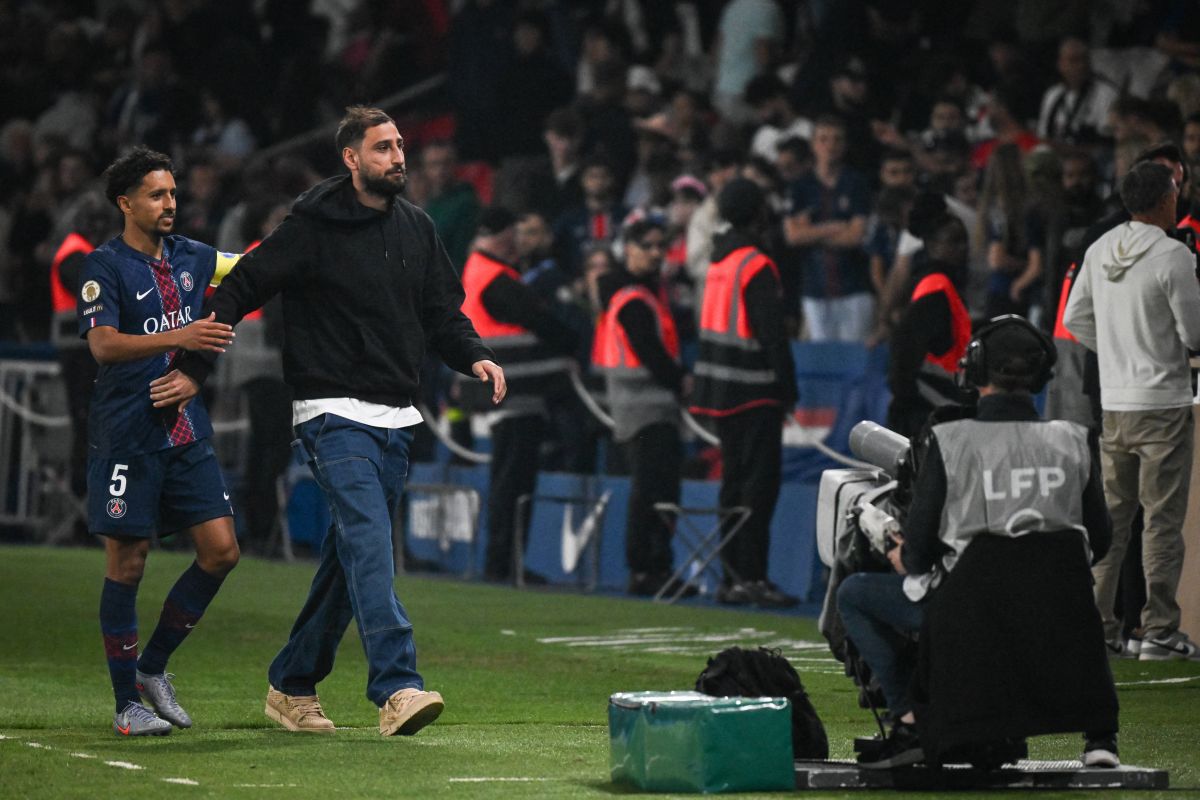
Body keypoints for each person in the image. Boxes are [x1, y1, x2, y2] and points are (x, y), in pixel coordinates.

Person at [176, 106, 506, 735]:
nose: (398, 157)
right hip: (330, 412)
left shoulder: (417, 228)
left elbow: (443, 313)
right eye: (383, 148)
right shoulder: (310, 225)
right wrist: (194, 365)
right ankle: (397, 686)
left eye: (401, 146)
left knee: (347, 556)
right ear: (351, 159)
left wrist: (478, 357)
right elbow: (241, 286)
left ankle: (292, 683)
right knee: (370, 541)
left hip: (397, 416)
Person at [839, 316, 1118, 769]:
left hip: (971, 619)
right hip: (1061, 619)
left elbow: (919, 553)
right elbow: (1100, 542)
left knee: (853, 595)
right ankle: (1100, 738)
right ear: (1043, 372)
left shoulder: (951, 441)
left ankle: (909, 717)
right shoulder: (1074, 440)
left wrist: (898, 551)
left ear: (973, 369)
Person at [82, 146, 241, 736]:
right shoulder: (104, 267)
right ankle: (127, 705)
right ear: (126, 203)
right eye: (157, 194)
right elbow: (102, 345)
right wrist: (184, 333)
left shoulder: (197, 258)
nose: (170, 203)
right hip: (127, 431)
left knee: (222, 550)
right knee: (128, 562)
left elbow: (247, 269)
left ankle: (153, 669)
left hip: (185, 431)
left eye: (173, 193)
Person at [1064, 160, 1200, 661]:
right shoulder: (1172, 255)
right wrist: (1152, 352)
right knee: (1162, 523)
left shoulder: (1100, 249)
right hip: (1162, 403)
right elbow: (1196, 334)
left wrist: (1119, 352)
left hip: (1115, 403)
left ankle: (1098, 627)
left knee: (1112, 525)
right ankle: (1159, 631)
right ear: (1166, 200)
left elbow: (1074, 318)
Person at [689, 178, 797, 608]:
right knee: (758, 490)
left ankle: (731, 578)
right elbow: (773, 335)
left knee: (732, 487)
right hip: (754, 390)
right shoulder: (755, 263)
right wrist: (787, 387)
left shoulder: (719, 261)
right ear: (758, 213)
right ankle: (753, 577)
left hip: (720, 390)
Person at [458, 206, 579, 584]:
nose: (520, 243)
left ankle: (502, 562)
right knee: (514, 481)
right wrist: (572, 343)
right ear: (504, 236)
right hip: (515, 395)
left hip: (497, 394)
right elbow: (541, 320)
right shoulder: (497, 279)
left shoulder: (477, 270)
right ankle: (504, 563)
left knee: (505, 480)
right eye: (516, 234)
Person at [593, 218, 690, 597]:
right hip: (645, 408)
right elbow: (650, 352)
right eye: (647, 246)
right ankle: (646, 568)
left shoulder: (639, 293)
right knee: (653, 492)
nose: (655, 253)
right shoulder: (633, 298)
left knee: (654, 490)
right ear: (628, 248)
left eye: (659, 247)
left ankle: (652, 567)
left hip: (639, 408)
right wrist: (679, 379)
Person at [784, 115, 873, 342]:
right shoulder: (800, 186)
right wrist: (833, 227)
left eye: (836, 140)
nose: (830, 146)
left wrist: (811, 232)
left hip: (854, 287)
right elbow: (793, 236)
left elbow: (855, 236)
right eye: (823, 139)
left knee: (854, 357)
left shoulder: (856, 183)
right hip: (815, 288)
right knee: (822, 359)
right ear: (814, 144)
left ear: (844, 145)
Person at [884, 215, 972, 439]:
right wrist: (906, 400)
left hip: (936, 404)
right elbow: (905, 348)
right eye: (953, 241)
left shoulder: (942, 282)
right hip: (927, 410)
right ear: (933, 246)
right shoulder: (936, 286)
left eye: (964, 241)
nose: (962, 248)